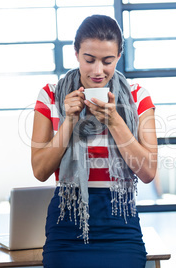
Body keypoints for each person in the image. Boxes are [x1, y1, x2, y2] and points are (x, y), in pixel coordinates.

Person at [31, 14, 158, 268]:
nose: (98, 71)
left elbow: (147, 171)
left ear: (119, 57)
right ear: (76, 53)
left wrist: (115, 121)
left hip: (120, 223)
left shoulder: (137, 98)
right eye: (89, 60)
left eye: (107, 61)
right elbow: (40, 170)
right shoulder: (50, 95)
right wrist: (68, 121)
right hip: (67, 222)